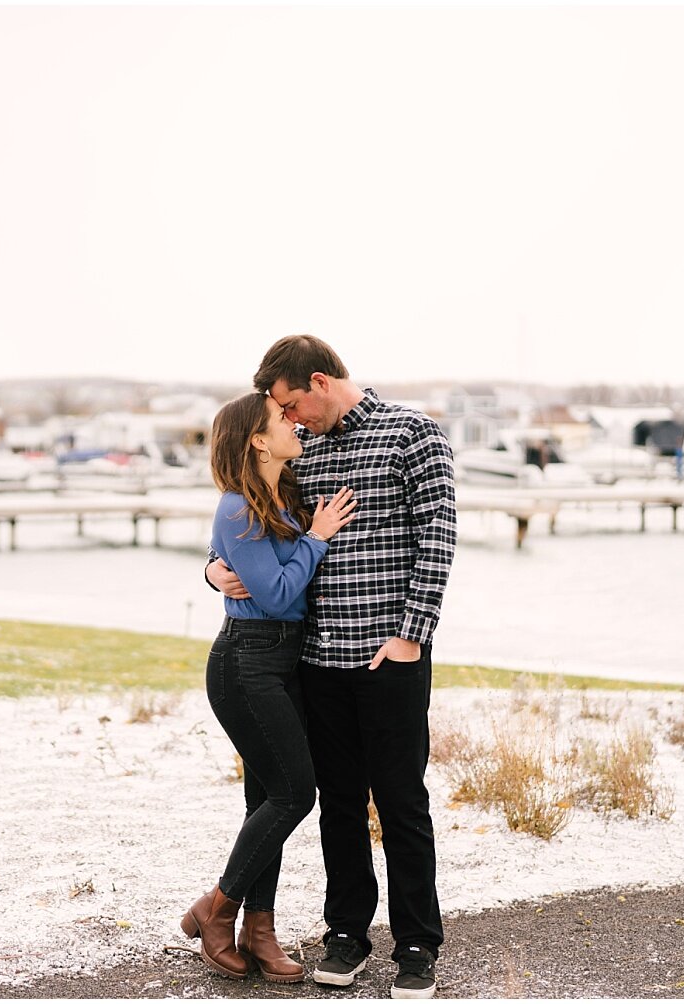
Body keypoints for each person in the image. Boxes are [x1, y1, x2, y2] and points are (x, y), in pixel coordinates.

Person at [206, 335, 457, 1000]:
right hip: (314, 660)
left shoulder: (413, 434)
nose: (291, 420)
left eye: (292, 405)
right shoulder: (299, 450)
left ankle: (416, 946)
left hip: (390, 655)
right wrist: (210, 571)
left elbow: (438, 537)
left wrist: (412, 635)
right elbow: (247, 517)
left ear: (319, 382)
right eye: (281, 415)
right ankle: (346, 935)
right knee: (337, 804)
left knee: (401, 802)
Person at [181, 391, 357, 984]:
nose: (293, 422)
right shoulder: (236, 506)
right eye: (281, 419)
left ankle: (260, 931)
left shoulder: (283, 490)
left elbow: (242, 566)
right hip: (245, 664)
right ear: (257, 440)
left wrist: (212, 567)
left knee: (266, 802)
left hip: (287, 662)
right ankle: (218, 907)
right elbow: (279, 594)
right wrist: (319, 536)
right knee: (293, 794)